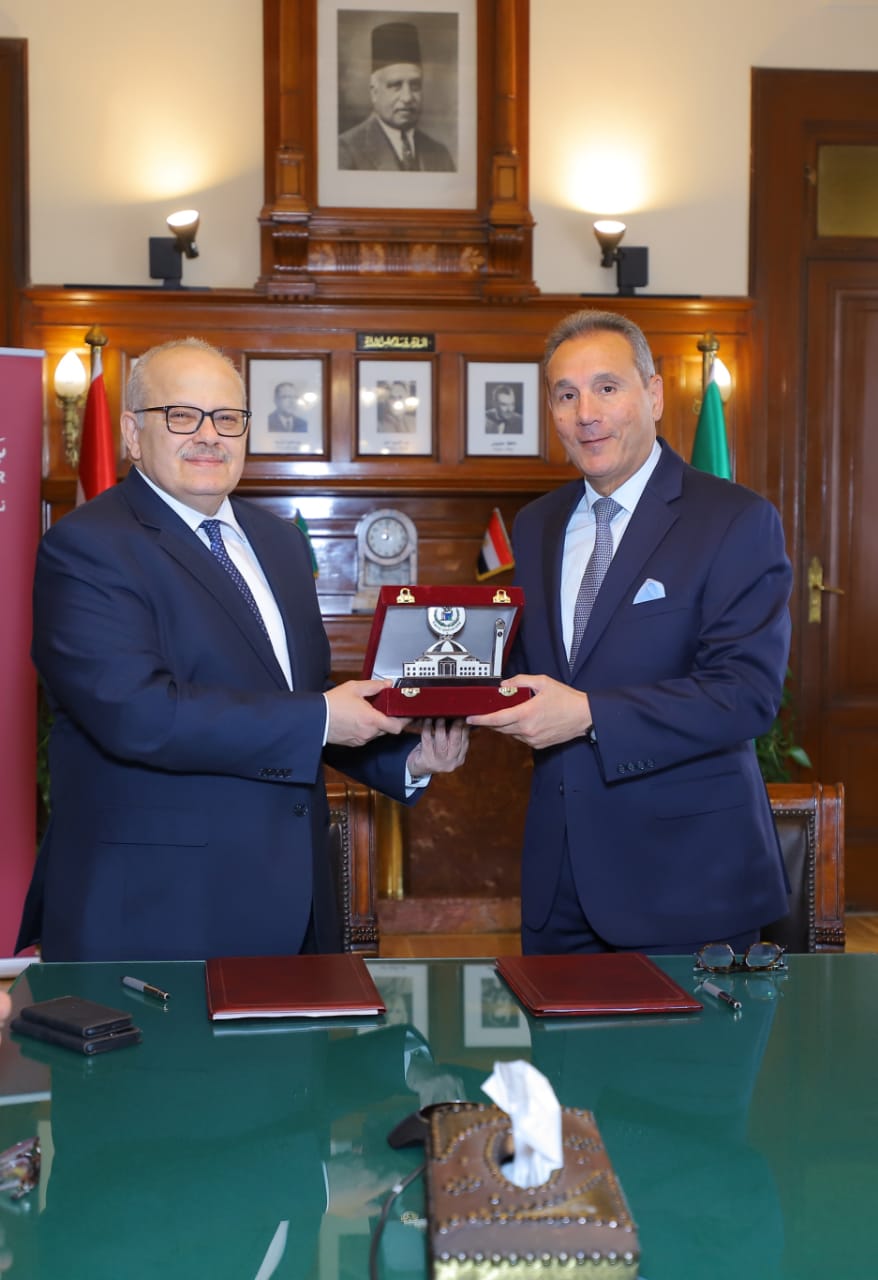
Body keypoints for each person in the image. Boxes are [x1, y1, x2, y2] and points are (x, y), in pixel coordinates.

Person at [16, 337, 468, 962]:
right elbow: (138, 714)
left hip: (296, 909)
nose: (210, 435)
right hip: (157, 915)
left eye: (228, 417)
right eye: (182, 415)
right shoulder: (87, 546)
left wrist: (408, 758)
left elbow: (299, 699)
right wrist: (323, 716)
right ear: (132, 434)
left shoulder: (280, 543)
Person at [468, 309, 792, 955]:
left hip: (689, 884)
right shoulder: (536, 525)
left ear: (654, 394)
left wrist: (589, 714)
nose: (585, 413)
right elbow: (526, 665)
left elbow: (745, 694)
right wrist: (437, 695)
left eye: (607, 388)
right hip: (559, 888)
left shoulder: (735, 519)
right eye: (565, 395)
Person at [338, 21, 454, 173]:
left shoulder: (440, 154)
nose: (407, 97)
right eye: (395, 85)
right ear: (374, 92)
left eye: (415, 85)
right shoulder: (345, 151)